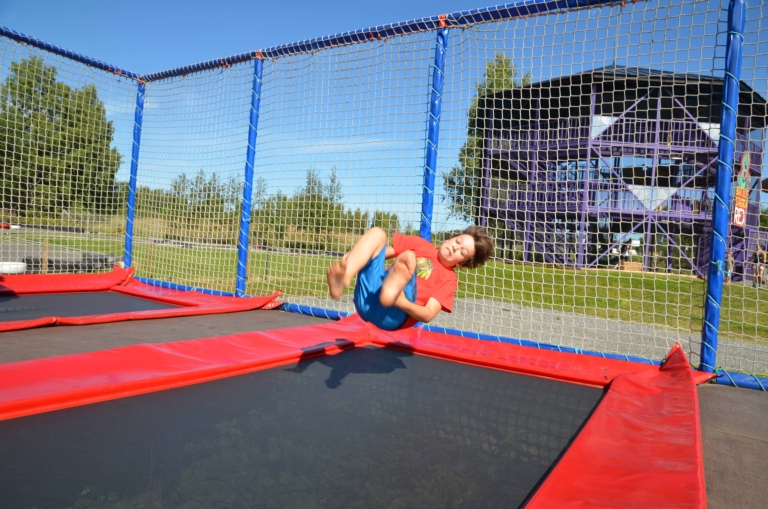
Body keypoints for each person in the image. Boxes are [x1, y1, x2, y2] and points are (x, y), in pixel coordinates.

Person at [326, 226, 494, 330]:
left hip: (393, 315)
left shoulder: (449, 280)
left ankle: (393, 293)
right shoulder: (419, 244)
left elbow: (428, 314)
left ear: (462, 264)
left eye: (462, 252)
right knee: (377, 233)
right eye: (457, 241)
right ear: (451, 237)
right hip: (368, 299)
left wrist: (402, 303)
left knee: (408, 258)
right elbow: (379, 252)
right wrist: (356, 256)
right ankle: (344, 279)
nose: (455, 248)